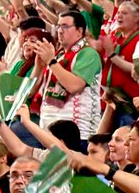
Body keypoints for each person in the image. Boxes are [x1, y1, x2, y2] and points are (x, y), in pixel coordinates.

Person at [32, 9, 102, 140]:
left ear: (79, 31)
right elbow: (30, 91)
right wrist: (38, 67)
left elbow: (75, 86)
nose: (60, 31)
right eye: (58, 26)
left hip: (77, 133)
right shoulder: (57, 56)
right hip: (48, 130)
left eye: (65, 26)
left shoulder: (88, 54)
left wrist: (51, 62)